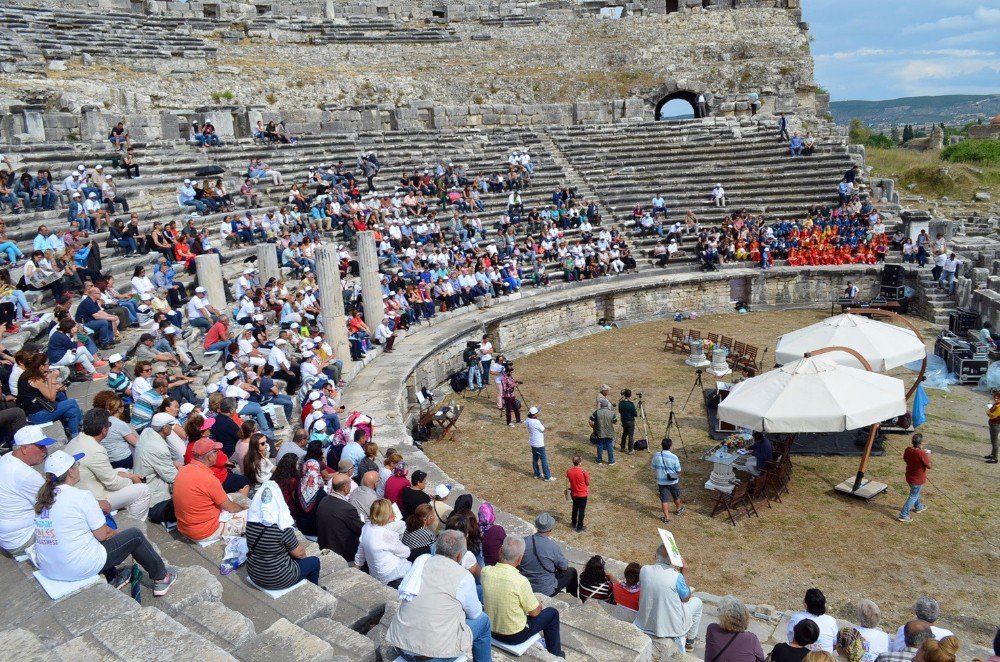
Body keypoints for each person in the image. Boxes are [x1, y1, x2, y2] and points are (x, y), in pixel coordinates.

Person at [33, 450, 176, 594]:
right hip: (76, 568)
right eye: (76, 465)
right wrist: (118, 536)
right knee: (134, 536)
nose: (78, 467)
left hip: (50, 568)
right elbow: (103, 535)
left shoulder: (44, 499)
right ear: (70, 472)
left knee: (89, 535)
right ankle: (162, 578)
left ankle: (113, 576)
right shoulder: (81, 496)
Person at [385, 529, 493, 662]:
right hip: (432, 656)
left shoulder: (421, 561)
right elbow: (475, 614)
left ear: (437, 547)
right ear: (459, 556)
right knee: (484, 621)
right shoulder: (463, 576)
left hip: (401, 645)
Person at [483, 536, 565, 657]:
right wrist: (539, 606)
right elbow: (534, 613)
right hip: (514, 636)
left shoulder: (486, 572)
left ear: (500, 551)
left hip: (490, 630)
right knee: (552, 614)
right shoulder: (520, 581)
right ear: (520, 558)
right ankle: (556, 654)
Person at [65, 408, 151, 521]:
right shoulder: (96, 450)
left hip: (80, 488)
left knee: (123, 470)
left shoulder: (75, 441)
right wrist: (132, 480)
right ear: (104, 430)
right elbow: (112, 483)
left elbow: (105, 473)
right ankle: (135, 524)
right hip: (94, 498)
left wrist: (129, 476)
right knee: (143, 490)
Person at [245, 481, 321, 588]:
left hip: (255, 574)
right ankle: (315, 588)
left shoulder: (250, 523)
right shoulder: (281, 527)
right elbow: (300, 554)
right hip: (280, 579)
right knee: (314, 562)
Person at [173, 438, 248, 542]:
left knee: (235, 498)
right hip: (205, 532)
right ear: (209, 457)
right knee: (252, 516)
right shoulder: (208, 478)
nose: (218, 454)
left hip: (185, 527)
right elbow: (230, 508)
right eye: (216, 451)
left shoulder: (183, 470)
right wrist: (242, 509)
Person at [634, 544, 703, 652]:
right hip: (671, 627)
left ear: (655, 556)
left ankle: (689, 641)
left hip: (644, 622)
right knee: (698, 602)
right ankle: (689, 642)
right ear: (673, 560)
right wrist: (685, 571)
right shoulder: (677, 577)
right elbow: (686, 598)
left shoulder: (644, 570)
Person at [0, 426, 57, 557]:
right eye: (40, 447)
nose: (45, 451)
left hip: (7, 537)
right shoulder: (25, 475)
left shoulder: (6, 458)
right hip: (22, 539)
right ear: (24, 448)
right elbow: (52, 503)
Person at [132, 413, 179, 525]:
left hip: (145, 489)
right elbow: (172, 477)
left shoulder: (147, 432)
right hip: (155, 502)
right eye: (171, 426)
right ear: (164, 428)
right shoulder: (159, 448)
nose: (172, 428)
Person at [519, 512, 578, 597]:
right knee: (572, 571)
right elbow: (564, 567)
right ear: (550, 529)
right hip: (546, 590)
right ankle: (574, 599)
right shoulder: (553, 547)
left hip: (527, 587)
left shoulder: (524, 541)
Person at [355, 498, 411, 586]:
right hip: (391, 573)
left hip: (375, 573)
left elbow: (360, 553)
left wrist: (356, 567)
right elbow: (406, 553)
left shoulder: (366, 527)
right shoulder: (385, 534)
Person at [316, 473, 364, 560]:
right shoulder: (347, 508)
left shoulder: (324, 500)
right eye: (350, 483)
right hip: (342, 551)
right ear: (345, 488)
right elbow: (361, 530)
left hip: (325, 544)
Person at [704, 596, 766, 662]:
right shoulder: (751, 639)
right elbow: (761, 658)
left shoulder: (712, 629)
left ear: (722, 616)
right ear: (745, 616)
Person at [787, 588, 838, 652]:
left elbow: (791, 640)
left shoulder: (797, 618)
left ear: (806, 605)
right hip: (826, 657)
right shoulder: (832, 621)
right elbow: (835, 644)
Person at [898, 433, 931, 523]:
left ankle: (918, 507)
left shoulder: (908, 449)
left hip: (909, 476)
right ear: (921, 443)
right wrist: (927, 455)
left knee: (915, 492)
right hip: (918, 479)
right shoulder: (922, 453)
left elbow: (905, 459)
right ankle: (903, 515)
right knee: (913, 495)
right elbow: (929, 466)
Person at [651, 437, 684, 523]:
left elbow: (653, 467)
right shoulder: (674, 457)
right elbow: (678, 470)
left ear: (661, 446)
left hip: (661, 482)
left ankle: (667, 518)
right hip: (673, 481)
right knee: (676, 496)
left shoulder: (657, 455)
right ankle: (678, 509)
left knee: (664, 499)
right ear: (670, 446)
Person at [525, 405, 553, 480]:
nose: (538, 413)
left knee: (535, 458)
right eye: (537, 412)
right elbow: (543, 430)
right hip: (539, 444)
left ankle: (536, 473)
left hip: (532, 442)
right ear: (534, 414)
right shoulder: (536, 422)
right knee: (543, 459)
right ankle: (547, 476)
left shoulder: (527, 419)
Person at [566, 454, 589, 532]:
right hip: (583, 494)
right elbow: (587, 483)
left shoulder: (569, 471)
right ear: (580, 463)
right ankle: (579, 527)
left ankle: (573, 522)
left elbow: (569, 479)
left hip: (574, 493)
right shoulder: (583, 472)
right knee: (581, 511)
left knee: (575, 508)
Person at [589, 399, 616, 465]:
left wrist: (593, 427)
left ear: (600, 405)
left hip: (600, 432)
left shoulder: (597, 412)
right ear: (607, 405)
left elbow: (590, 421)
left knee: (600, 446)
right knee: (609, 446)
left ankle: (599, 460)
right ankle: (611, 461)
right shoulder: (612, 413)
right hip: (609, 432)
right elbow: (615, 421)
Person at [478, 501, 506, 566]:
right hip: (494, 565)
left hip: (478, 564)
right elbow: (506, 544)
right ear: (491, 515)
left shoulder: (474, 527)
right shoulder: (498, 530)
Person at [618, 389, 638, 454]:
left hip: (624, 421)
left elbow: (620, 411)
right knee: (630, 436)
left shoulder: (621, 403)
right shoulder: (631, 404)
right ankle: (630, 450)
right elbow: (635, 414)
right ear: (630, 395)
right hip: (630, 421)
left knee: (624, 434)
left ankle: (622, 447)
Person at [985, 389, 1000, 464]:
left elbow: (991, 415)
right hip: (994, 424)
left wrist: (988, 413)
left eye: (998, 398)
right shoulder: (996, 405)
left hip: (995, 425)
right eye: (995, 397)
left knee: (995, 442)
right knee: (993, 441)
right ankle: (992, 454)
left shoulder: (998, 407)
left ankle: (995, 458)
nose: (996, 399)